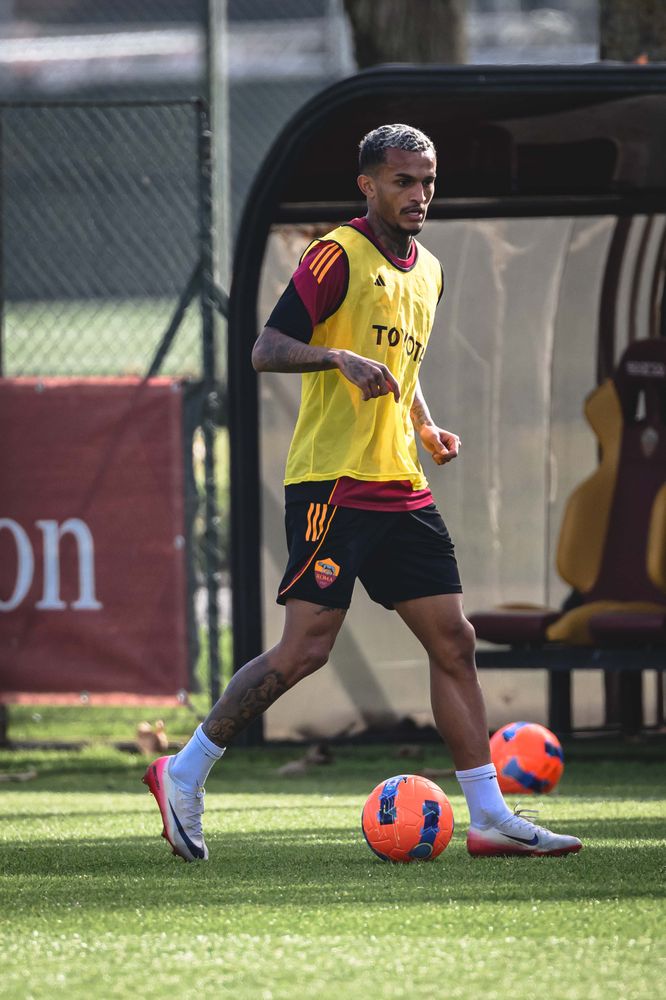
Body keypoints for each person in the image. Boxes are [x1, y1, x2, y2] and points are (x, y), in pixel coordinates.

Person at [144, 123, 582, 861]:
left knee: (455, 641)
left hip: (400, 486)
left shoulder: (430, 271)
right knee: (305, 650)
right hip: (332, 484)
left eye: (428, 181)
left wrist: (427, 425)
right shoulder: (336, 254)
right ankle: (182, 772)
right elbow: (264, 348)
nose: (419, 195)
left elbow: (400, 371)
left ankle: (487, 816)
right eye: (404, 181)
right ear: (369, 185)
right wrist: (334, 357)